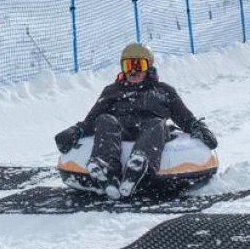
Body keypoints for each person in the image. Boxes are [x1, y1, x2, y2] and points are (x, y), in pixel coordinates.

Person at [54, 42, 217, 199]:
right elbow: (92, 119)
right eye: (128, 66)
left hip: (151, 133)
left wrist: (198, 127)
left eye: (139, 65)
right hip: (120, 131)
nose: (133, 71)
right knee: (105, 119)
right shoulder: (112, 90)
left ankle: (139, 165)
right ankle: (107, 168)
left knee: (156, 123)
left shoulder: (163, 91)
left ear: (149, 66)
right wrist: (77, 131)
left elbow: (185, 118)